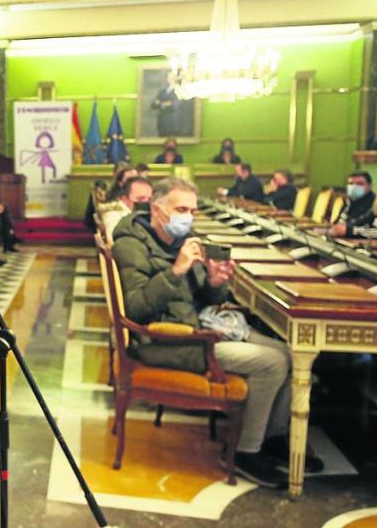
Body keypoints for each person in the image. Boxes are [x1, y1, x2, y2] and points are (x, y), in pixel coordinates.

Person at [111, 177, 312, 488]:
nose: (188, 217)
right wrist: (176, 270)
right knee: (271, 364)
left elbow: (206, 297)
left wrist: (216, 283)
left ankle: (272, 438)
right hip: (167, 340)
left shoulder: (183, 239)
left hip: (199, 324)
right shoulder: (131, 243)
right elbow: (135, 308)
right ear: (157, 210)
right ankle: (246, 451)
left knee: (290, 353)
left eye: (192, 210)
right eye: (181, 209)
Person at [98, 176, 152, 242]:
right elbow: (113, 242)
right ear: (125, 199)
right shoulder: (113, 216)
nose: (146, 202)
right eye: (140, 199)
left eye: (150, 199)